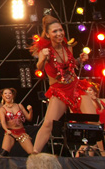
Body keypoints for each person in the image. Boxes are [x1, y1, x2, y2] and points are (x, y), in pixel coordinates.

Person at [29, 15, 96, 153]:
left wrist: (80, 60)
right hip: (59, 90)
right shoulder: (45, 51)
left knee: (93, 120)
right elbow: (39, 67)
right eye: (55, 31)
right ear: (48, 34)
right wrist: (43, 58)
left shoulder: (68, 47)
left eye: (60, 30)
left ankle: (98, 153)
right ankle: (34, 154)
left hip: (75, 86)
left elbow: (70, 65)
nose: (59, 33)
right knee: (48, 124)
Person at [0, 87, 34, 155]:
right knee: (4, 153)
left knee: (32, 153)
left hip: (21, 132)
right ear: (3, 96)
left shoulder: (19, 106)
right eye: (5, 93)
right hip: (10, 132)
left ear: (12, 95)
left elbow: (29, 118)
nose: (8, 95)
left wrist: (30, 111)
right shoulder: (2, 109)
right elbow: (3, 122)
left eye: (9, 93)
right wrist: (6, 130)